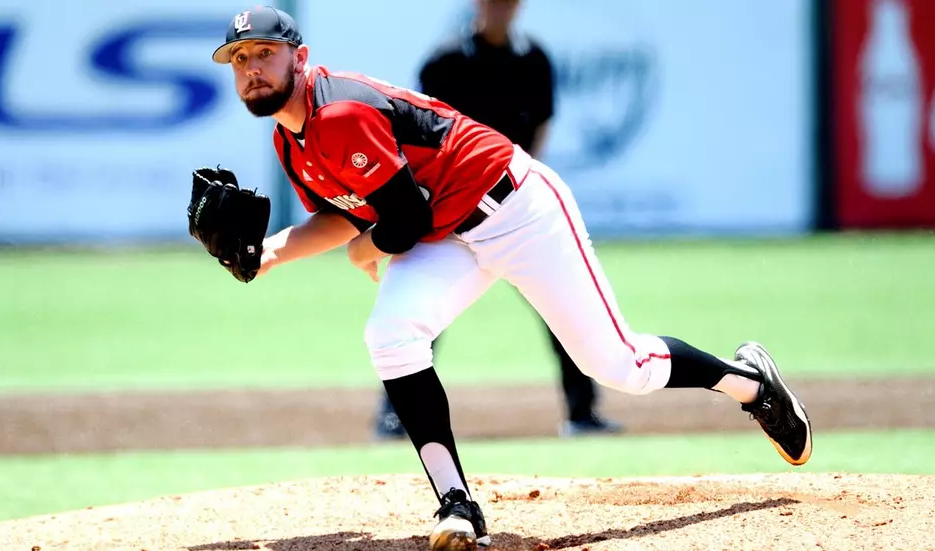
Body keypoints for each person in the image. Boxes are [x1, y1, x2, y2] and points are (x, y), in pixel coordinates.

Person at [211, 6, 813, 550]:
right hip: (453, 231)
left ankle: (751, 386)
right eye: (240, 58)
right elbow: (345, 212)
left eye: (265, 52)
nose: (252, 68)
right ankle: (457, 505)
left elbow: (403, 219)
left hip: (520, 210)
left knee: (620, 366)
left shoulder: (339, 111)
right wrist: (265, 255)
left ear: (301, 57)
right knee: (390, 335)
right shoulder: (292, 140)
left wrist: (361, 252)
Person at [372, 0, 622, 442]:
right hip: (450, 209)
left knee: (560, 305)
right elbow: (414, 128)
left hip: (513, 205)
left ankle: (582, 413)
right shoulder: (446, 60)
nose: (499, 8)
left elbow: (542, 121)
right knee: (423, 309)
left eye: (507, 1)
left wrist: (525, 185)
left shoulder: (533, 59)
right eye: (491, 1)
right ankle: (395, 417)